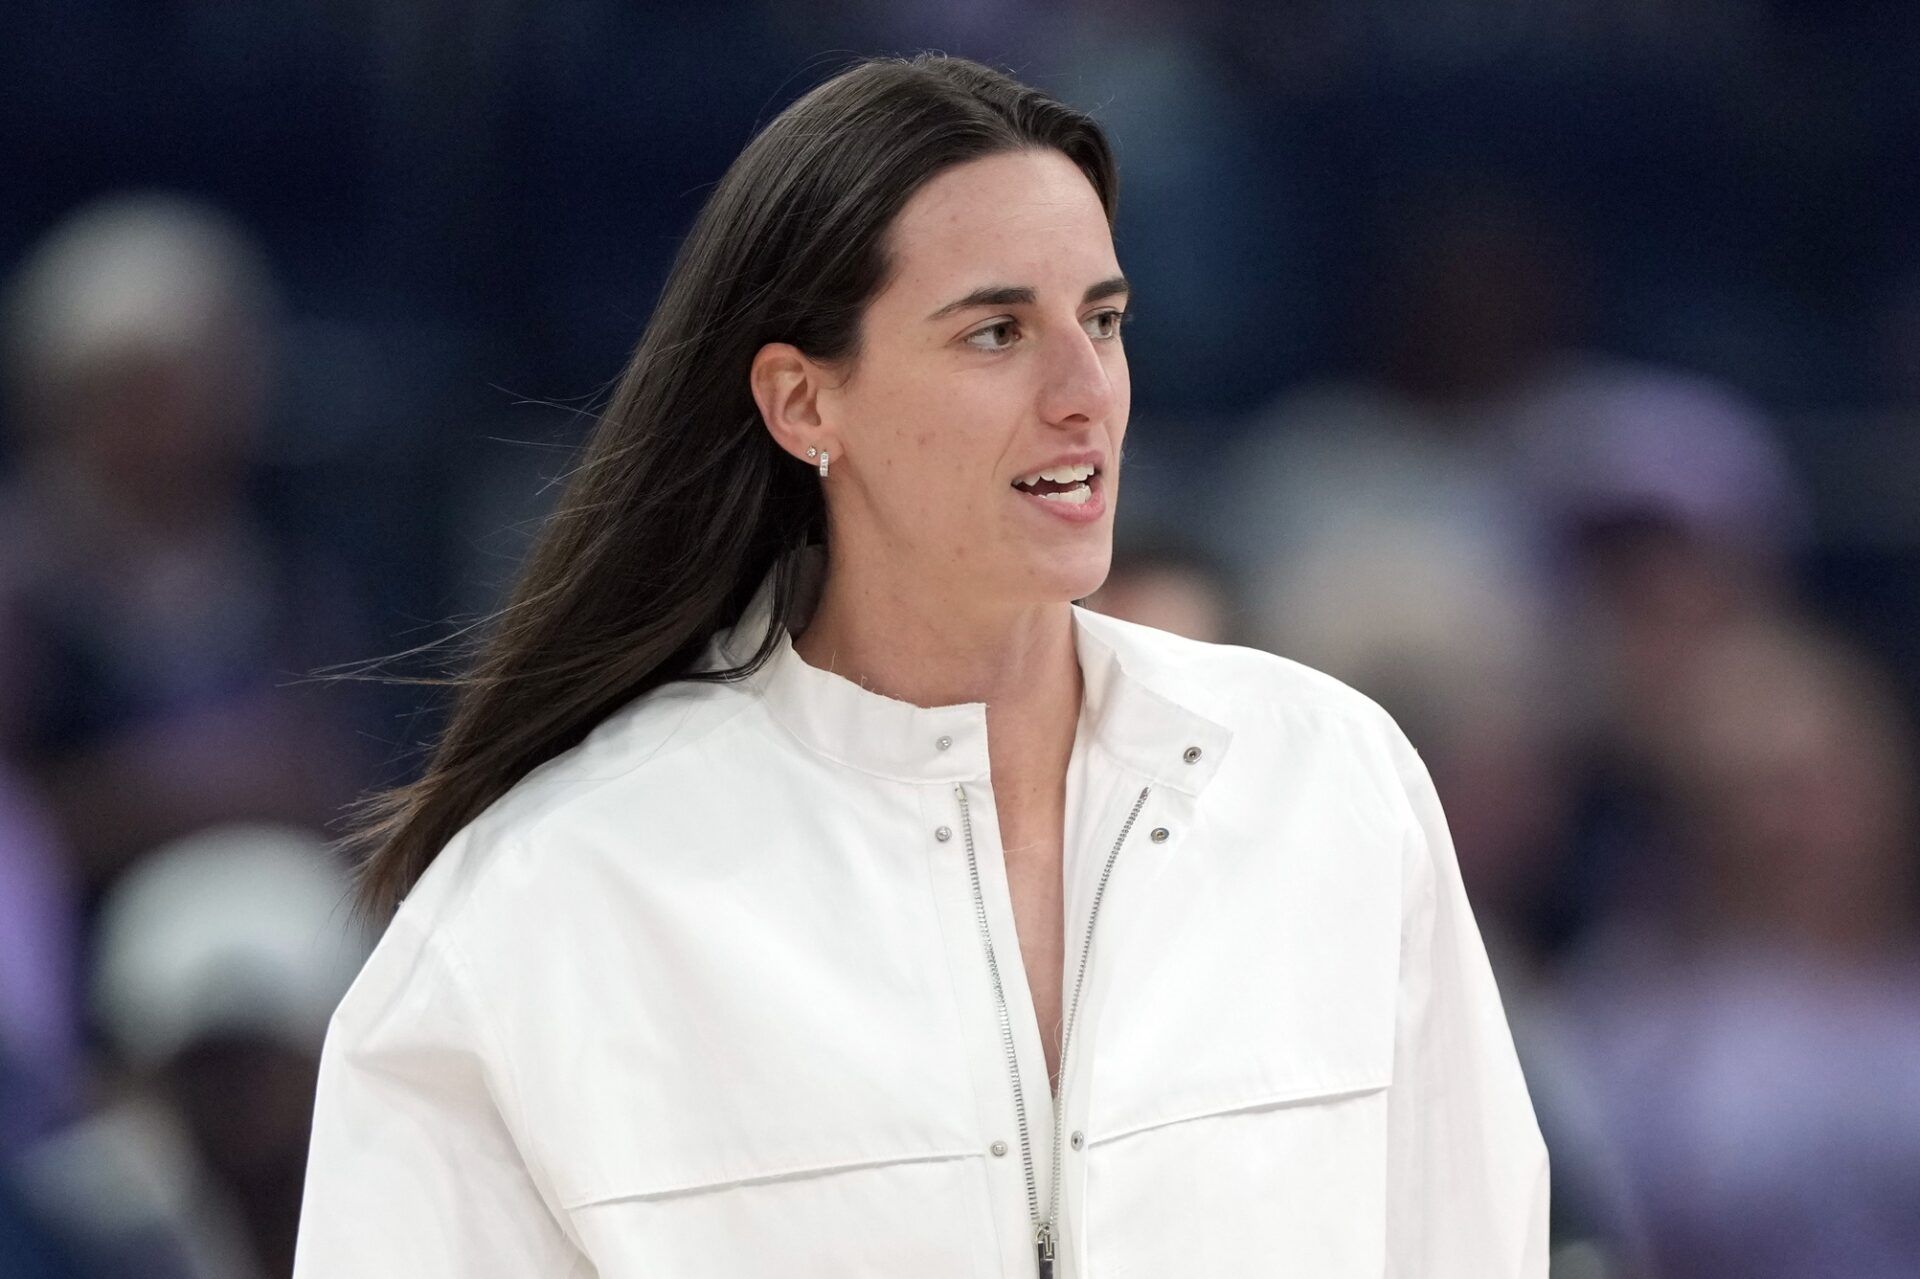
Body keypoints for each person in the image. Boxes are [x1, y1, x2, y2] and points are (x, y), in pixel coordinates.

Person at [292, 52, 1549, 1278]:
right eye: (997, 332)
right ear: (803, 403)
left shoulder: (1329, 782)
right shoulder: (556, 891)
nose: (1085, 393)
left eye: (1103, 320)